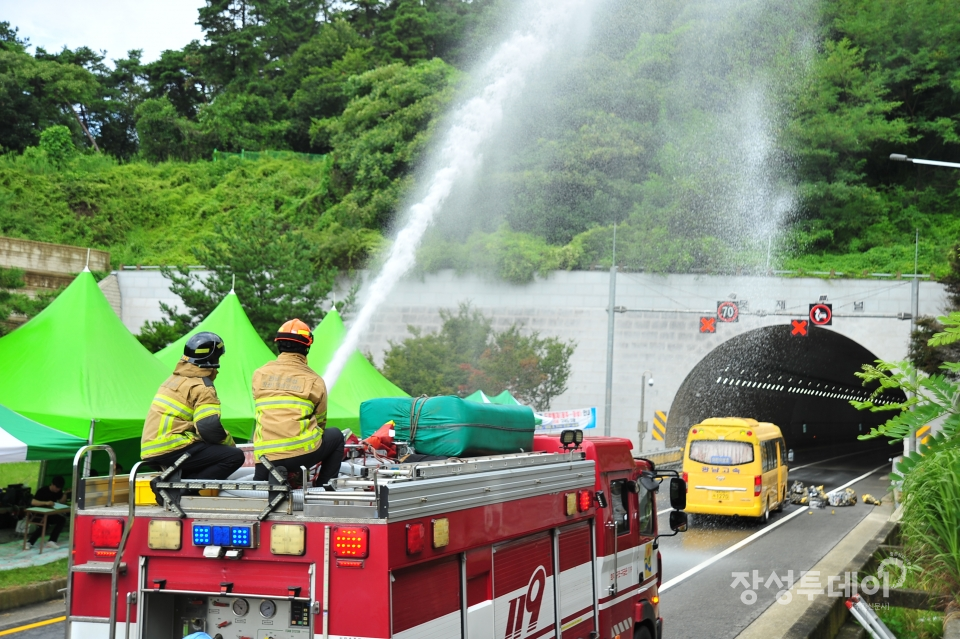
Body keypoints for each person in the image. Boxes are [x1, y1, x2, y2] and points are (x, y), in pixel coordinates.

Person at [141, 332, 244, 487]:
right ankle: (178, 492)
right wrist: (228, 442)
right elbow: (209, 428)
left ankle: (167, 485)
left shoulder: (173, 380)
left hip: (151, 449)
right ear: (212, 358)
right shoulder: (202, 387)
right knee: (234, 456)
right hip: (173, 447)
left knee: (207, 455)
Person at [252, 319, 343, 488]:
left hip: (265, 458)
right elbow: (321, 422)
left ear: (278, 345)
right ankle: (323, 488)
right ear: (306, 348)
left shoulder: (259, 374)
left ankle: (264, 476)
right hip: (301, 454)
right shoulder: (314, 380)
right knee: (336, 436)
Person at [25, 475, 67, 550]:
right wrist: (46, 503)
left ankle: (52, 540)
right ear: (52, 484)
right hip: (37, 514)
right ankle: (30, 542)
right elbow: (33, 502)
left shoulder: (58, 492)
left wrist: (65, 493)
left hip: (48, 514)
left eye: (59, 488)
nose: (57, 490)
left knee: (61, 520)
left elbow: (62, 502)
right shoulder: (42, 490)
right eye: (56, 487)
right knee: (45, 524)